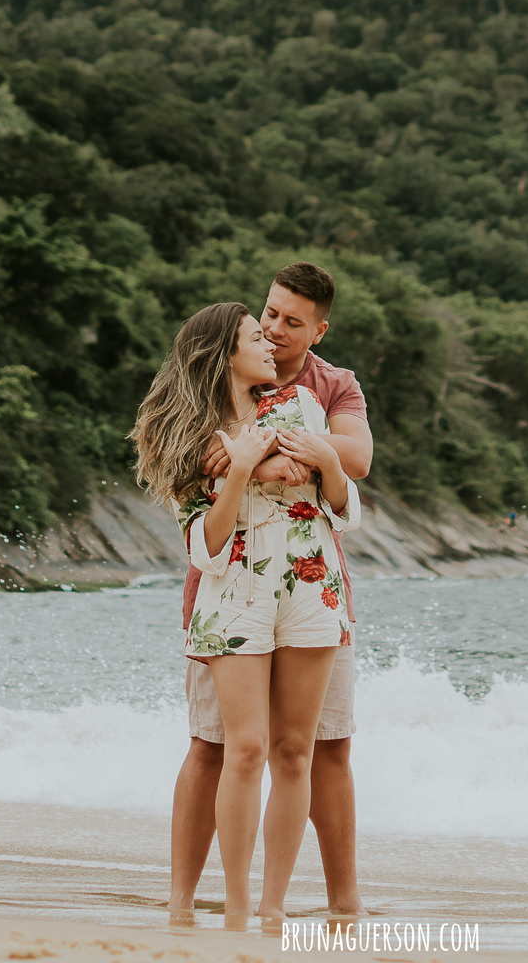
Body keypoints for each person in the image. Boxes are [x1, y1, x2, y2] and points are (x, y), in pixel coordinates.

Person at [132, 298, 361, 928]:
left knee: (296, 752)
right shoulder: (186, 432)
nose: (274, 346)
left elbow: (345, 510)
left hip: (311, 589)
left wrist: (329, 463)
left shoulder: (303, 407)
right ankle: (234, 906)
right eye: (258, 336)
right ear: (224, 353)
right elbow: (204, 548)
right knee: (245, 749)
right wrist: (241, 470)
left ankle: (272, 908)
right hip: (233, 593)